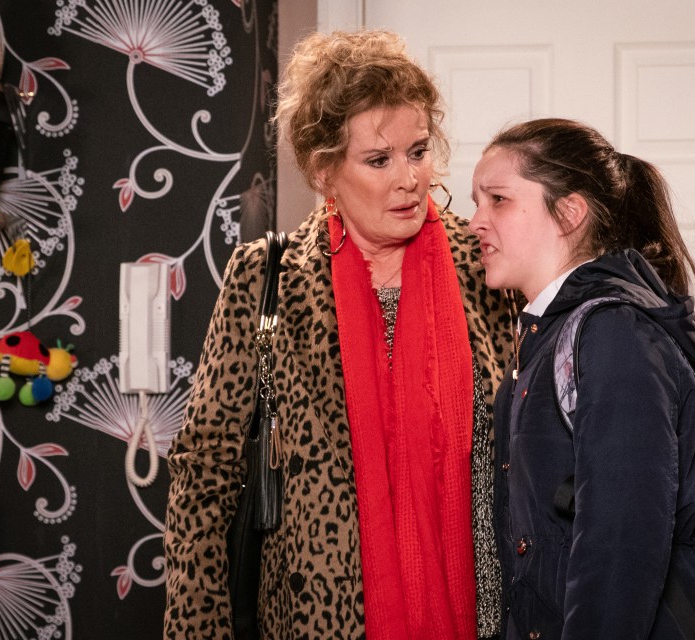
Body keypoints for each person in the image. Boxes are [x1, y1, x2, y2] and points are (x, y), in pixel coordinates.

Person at [163, 30, 515, 640]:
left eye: (418, 151)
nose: (410, 179)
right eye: (379, 160)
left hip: (482, 615)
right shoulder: (266, 277)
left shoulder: (486, 263)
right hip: (313, 620)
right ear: (325, 170)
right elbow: (207, 471)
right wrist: (198, 628)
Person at [469, 118, 695, 640]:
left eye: (497, 200)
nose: (476, 221)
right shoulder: (545, 338)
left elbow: (621, 547)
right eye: (477, 201)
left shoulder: (612, 337)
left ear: (569, 212)